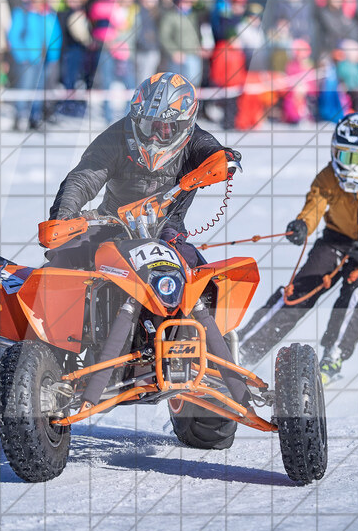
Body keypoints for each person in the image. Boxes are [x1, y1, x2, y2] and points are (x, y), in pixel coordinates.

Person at [43, 72, 246, 407]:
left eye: (167, 128)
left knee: (200, 275)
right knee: (63, 263)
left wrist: (224, 161)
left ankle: (208, 354)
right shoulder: (116, 138)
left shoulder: (195, 139)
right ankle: (52, 354)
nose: (157, 134)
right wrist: (63, 217)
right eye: (150, 124)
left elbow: (215, 153)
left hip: (168, 229)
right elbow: (83, 177)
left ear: (186, 125)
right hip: (112, 225)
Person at [238, 112, 358, 382]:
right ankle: (243, 350)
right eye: (346, 156)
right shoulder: (328, 177)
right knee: (299, 291)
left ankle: (333, 357)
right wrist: (302, 224)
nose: (352, 167)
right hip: (336, 239)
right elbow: (315, 206)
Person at [8, 0, 62, 131]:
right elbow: (14, 36)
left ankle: (35, 118)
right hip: (27, 60)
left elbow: (55, 36)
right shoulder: (22, 12)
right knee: (25, 89)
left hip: (45, 60)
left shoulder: (49, 14)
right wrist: (22, 56)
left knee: (40, 91)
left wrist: (53, 57)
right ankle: (19, 117)